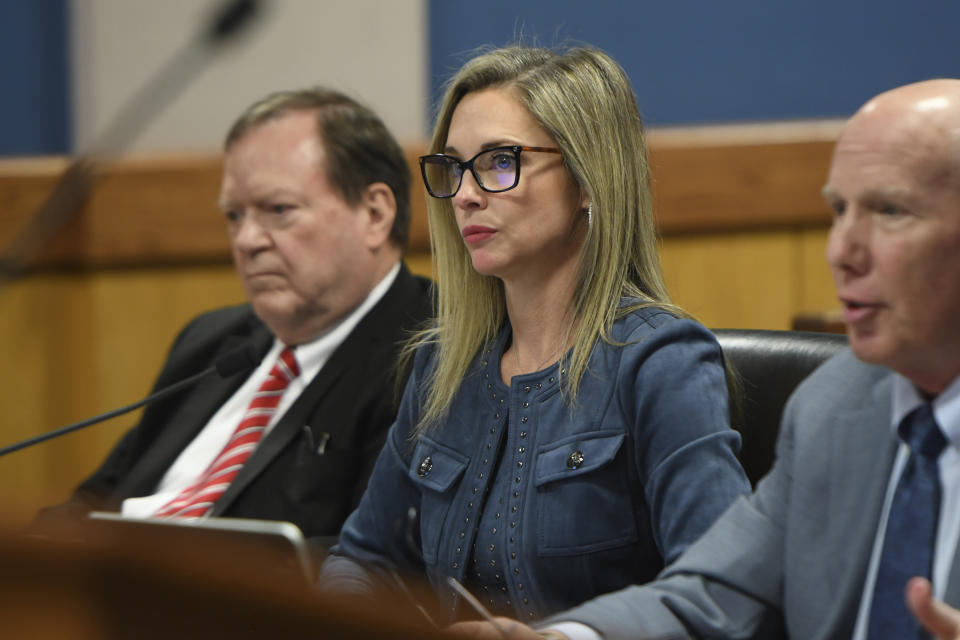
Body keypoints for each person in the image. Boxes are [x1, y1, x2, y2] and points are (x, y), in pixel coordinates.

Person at [449, 78, 960, 639]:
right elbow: (714, 593)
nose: (841, 251)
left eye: (890, 210)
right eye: (839, 210)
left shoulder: (659, 360)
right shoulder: (836, 405)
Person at [319, 45, 750, 623]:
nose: (466, 194)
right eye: (453, 167)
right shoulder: (444, 364)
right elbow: (362, 558)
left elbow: (721, 588)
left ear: (587, 180)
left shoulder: (660, 362)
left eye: (499, 162)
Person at [32, 88, 434, 541]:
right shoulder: (211, 341)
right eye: (234, 216)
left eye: (278, 210)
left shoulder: (429, 354)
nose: (246, 241)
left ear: (375, 213)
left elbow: (375, 567)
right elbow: (95, 502)